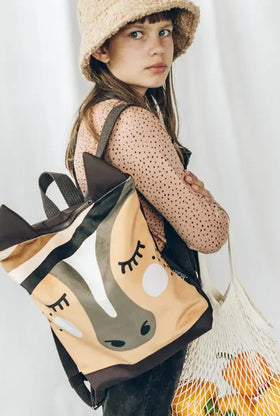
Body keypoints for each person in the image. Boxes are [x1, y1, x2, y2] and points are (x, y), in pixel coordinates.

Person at [64, 1, 230, 414]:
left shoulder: (94, 116)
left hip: (122, 321)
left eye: (164, 32)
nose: (157, 48)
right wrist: (207, 202)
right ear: (102, 48)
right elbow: (208, 234)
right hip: (154, 321)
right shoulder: (132, 123)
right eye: (136, 34)